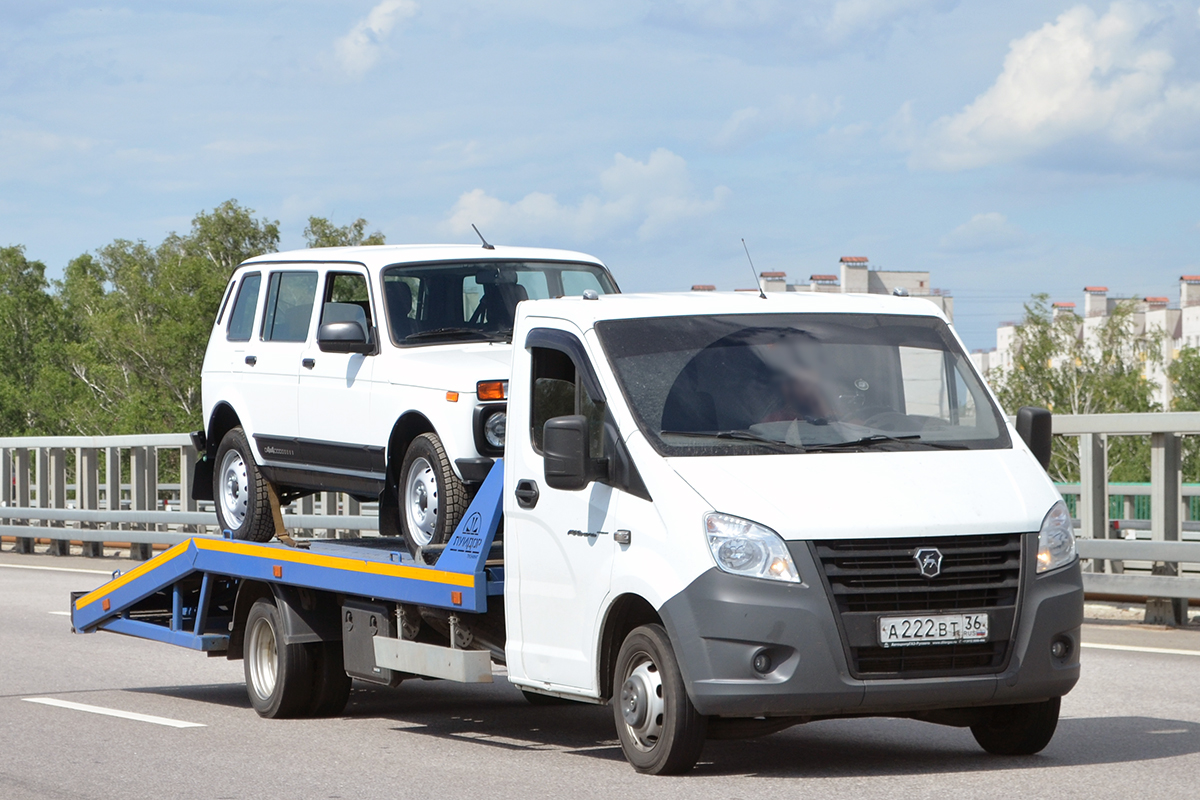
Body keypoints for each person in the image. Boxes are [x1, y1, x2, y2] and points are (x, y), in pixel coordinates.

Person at [761, 366, 834, 423]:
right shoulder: (775, 420)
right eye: (805, 384)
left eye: (815, 385)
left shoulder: (833, 418)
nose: (811, 390)